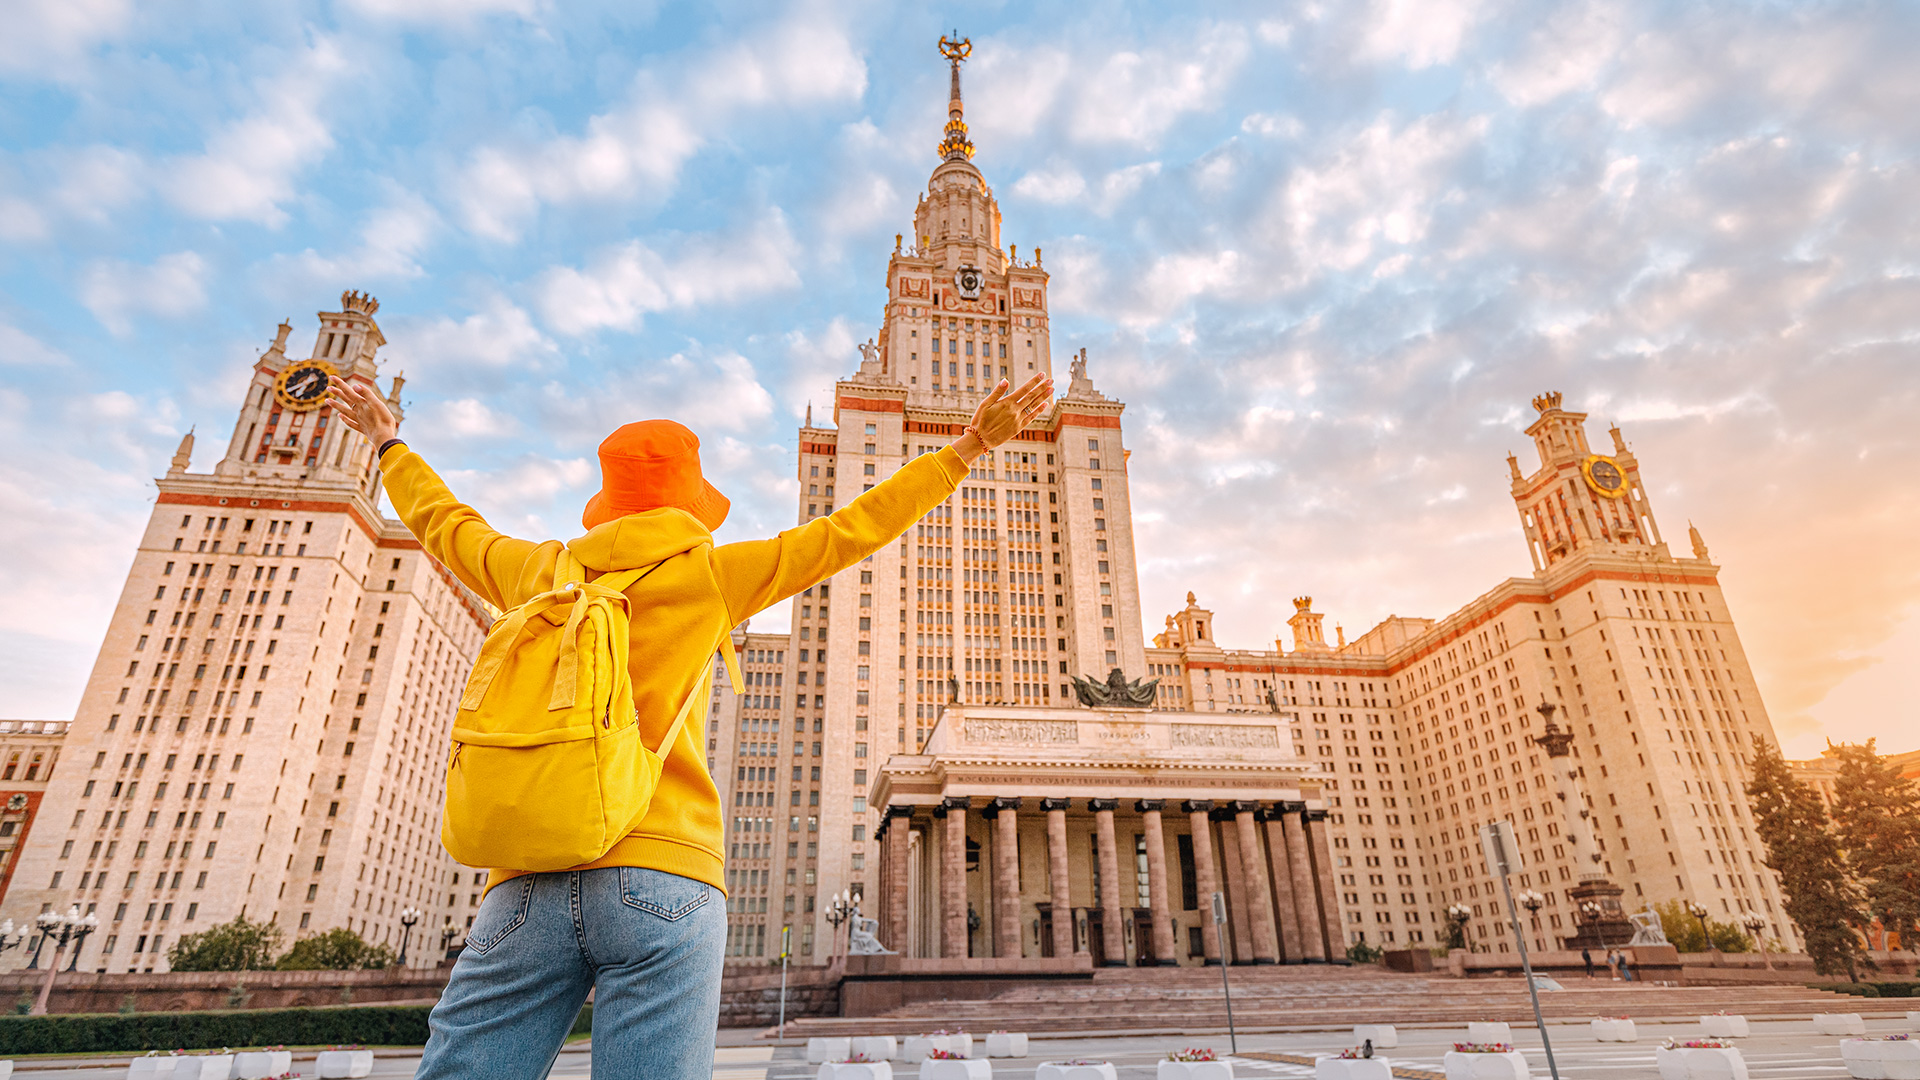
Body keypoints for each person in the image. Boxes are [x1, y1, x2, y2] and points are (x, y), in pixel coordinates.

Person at [329, 372, 1054, 1079]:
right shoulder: (711, 576)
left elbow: (447, 525)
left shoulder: (541, 572)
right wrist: (964, 449)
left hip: (528, 879)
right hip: (664, 876)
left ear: (607, 505)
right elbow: (849, 531)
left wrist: (389, 444)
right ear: (690, 506)